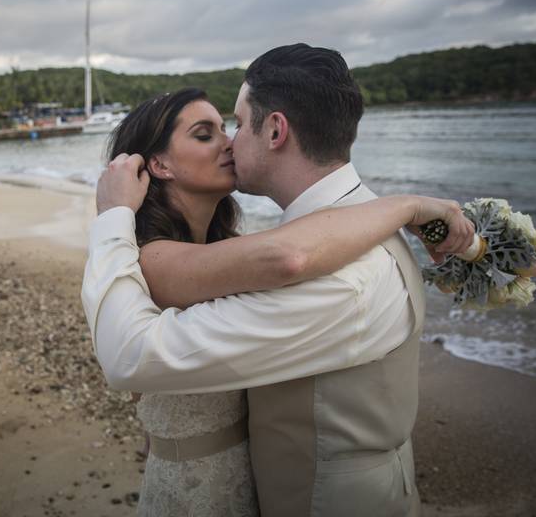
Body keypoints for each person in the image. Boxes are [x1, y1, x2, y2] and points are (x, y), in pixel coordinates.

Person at [82, 45, 475, 516]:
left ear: (274, 130)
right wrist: (403, 205)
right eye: (210, 132)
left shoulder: (341, 272)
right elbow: (282, 256)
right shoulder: (334, 234)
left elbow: (287, 258)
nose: (230, 141)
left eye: (237, 123)